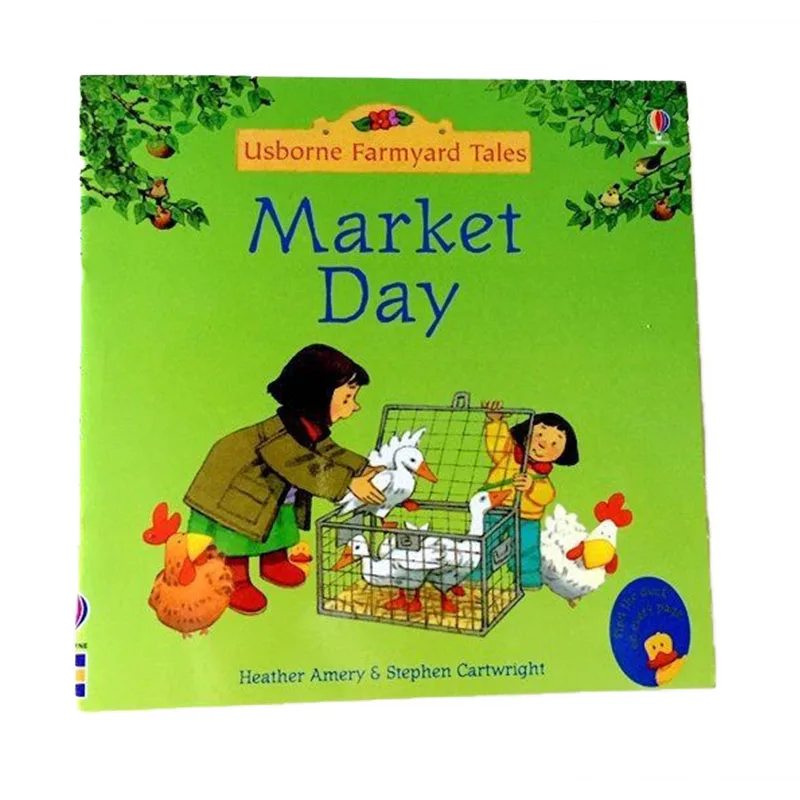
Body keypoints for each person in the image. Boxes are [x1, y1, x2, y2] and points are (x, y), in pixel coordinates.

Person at [184, 344, 384, 615]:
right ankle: (235, 580)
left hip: (269, 492)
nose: (354, 406)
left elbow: (329, 450)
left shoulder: (308, 427)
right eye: (347, 399)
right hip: (234, 492)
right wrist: (347, 483)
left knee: (279, 522)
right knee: (238, 534)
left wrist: (363, 468)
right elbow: (302, 464)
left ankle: (274, 562)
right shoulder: (279, 436)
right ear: (316, 396)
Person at [483, 401, 579, 590]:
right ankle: (477, 575)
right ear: (526, 434)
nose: (543, 444)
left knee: (527, 548)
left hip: (527, 517)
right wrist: (495, 423)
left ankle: (527, 578)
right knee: (486, 542)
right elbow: (497, 444)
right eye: (540, 434)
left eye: (555, 443)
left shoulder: (541, 477)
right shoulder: (508, 456)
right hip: (496, 509)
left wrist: (531, 486)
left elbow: (547, 495)